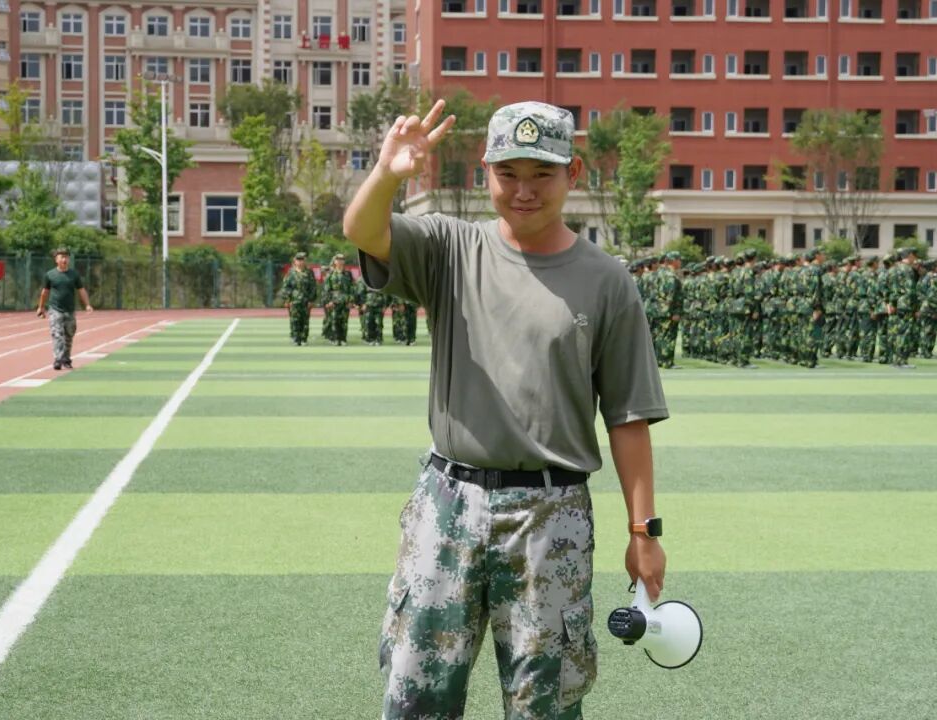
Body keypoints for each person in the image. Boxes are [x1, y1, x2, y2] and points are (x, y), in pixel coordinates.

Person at [343, 100, 669, 720]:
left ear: (573, 173)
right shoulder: (450, 248)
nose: (524, 191)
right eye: (508, 173)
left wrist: (643, 534)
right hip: (448, 504)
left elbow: (628, 417)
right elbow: (363, 231)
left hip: (552, 516)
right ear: (485, 172)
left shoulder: (607, 281)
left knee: (544, 704)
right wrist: (386, 173)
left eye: (542, 174)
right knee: (416, 696)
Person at [35, 247, 93, 370]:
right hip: (55, 309)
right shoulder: (50, 275)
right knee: (57, 334)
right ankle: (58, 359)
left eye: (66, 257)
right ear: (56, 260)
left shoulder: (74, 275)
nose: (64, 259)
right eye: (62, 257)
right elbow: (45, 292)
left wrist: (87, 304)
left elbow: (81, 290)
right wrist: (41, 307)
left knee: (69, 335)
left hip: (70, 310)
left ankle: (66, 359)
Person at [281, 251, 317, 345]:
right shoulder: (291, 273)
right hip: (294, 301)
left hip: (305, 300)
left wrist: (311, 300)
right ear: (295, 261)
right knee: (295, 320)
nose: (300, 262)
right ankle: (296, 338)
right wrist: (287, 299)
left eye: (302, 260)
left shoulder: (309, 272)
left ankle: (304, 338)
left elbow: (313, 287)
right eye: (298, 260)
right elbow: (286, 287)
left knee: (305, 320)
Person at [320, 253, 354, 345]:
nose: (340, 261)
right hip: (334, 301)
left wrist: (351, 301)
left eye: (342, 259)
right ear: (334, 262)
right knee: (334, 320)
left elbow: (352, 288)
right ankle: (335, 338)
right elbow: (327, 289)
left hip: (345, 300)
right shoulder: (330, 274)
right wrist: (328, 301)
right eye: (338, 260)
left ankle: (343, 339)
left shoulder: (348, 274)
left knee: (344, 321)